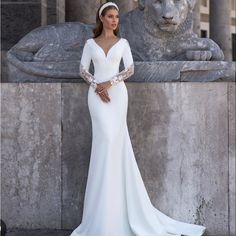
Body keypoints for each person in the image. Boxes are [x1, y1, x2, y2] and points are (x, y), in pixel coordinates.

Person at [70, 2, 207, 236]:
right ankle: (100, 216)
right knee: (102, 147)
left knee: (115, 145)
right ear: (101, 18)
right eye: (110, 16)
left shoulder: (122, 43)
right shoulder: (90, 44)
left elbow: (130, 69)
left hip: (117, 96)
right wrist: (96, 85)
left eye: (116, 17)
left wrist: (108, 84)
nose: (114, 20)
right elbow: (83, 69)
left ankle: (118, 213)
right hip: (96, 99)